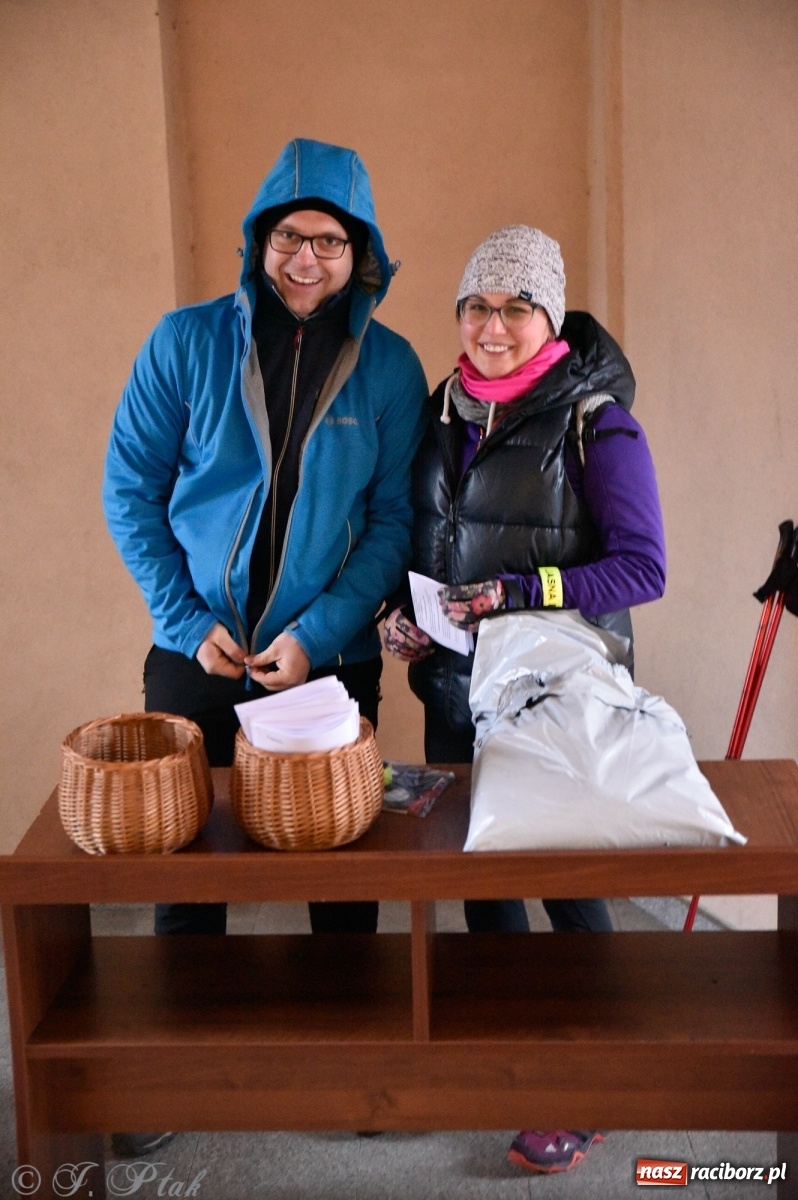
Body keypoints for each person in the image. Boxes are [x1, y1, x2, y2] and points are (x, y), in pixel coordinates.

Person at [103, 138, 427, 1155]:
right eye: (290, 236)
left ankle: (346, 1068)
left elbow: (391, 527)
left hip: (324, 657)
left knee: (343, 862)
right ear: (259, 240)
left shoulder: (392, 364)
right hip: (193, 651)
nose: (307, 259)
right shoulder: (184, 341)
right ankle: (176, 1070)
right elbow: (130, 489)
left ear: (361, 253)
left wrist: (322, 634)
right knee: (184, 861)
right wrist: (185, 619)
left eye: (330, 242)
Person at [383, 224, 666, 1175]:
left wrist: (521, 591)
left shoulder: (596, 420)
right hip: (457, 692)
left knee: (567, 889)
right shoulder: (444, 410)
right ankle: (514, 1071)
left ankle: (593, 1085)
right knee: (483, 887)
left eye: (514, 307)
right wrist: (402, 616)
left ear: (549, 317)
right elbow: (428, 541)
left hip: (554, 699)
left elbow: (641, 568)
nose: (492, 326)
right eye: (476, 306)